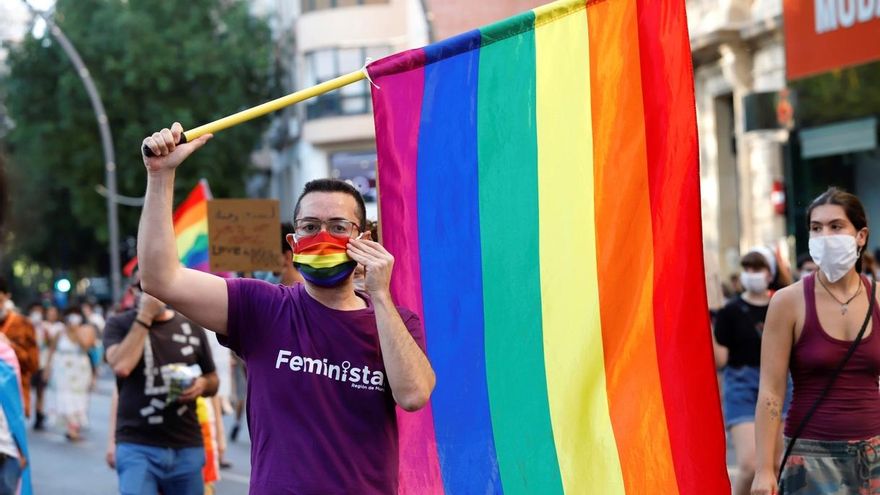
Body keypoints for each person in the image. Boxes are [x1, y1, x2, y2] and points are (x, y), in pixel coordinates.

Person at [139, 123, 435, 494]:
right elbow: (159, 278)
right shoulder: (260, 307)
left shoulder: (397, 321)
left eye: (339, 226)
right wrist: (160, 175)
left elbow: (414, 395)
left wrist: (380, 295)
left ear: (364, 240)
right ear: (293, 243)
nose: (323, 237)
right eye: (310, 227)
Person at [753, 188, 880, 494]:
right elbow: (771, 390)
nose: (824, 236)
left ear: (860, 236)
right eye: (816, 228)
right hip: (810, 458)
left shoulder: (878, 298)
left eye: (836, 226)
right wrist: (763, 470)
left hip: (875, 452)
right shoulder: (788, 301)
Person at [104, 278, 219, 495]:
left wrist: (203, 384)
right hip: (137, 446)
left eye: (157, 287)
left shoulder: (191, 327)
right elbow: (121, 367)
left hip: (186, 446)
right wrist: (145, 316)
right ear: (133, 292)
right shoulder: (118, 324)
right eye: (145, 288)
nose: (152, 294)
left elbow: (213, 379)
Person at [713, 249, 791, 495]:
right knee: (749, 465)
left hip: (781, 383)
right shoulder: (730, 311)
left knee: (776, 466)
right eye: (747, 269)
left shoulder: (785, 304)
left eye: (757, 268)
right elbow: (720, 359)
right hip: (742, 383)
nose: (751, 274)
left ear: (770, 274)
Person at [46, 309, 96, 441]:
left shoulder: (86, 330)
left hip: (80, 371)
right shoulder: (59, 332)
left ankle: (75, 426)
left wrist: (77, 332)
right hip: (62, 371)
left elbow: (86, 347)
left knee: (78, 398)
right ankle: (71, 428)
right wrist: (47, 368)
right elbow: (51, 350)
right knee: (64, 398)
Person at [0, 278, 38, 420]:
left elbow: (33, 364)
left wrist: (9, 346)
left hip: (13, 399)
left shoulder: (23, 324)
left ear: (7, 297)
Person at [32, 305, 62, 430]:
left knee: (46, 390)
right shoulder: (39, 326)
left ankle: (45, 413)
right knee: (39, 390)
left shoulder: (60, 327)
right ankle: (38, 414)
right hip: (38, 361)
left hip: (54, 362)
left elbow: (52, 345)